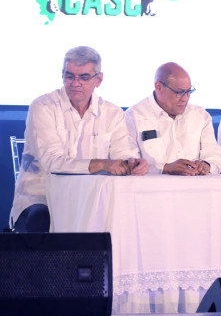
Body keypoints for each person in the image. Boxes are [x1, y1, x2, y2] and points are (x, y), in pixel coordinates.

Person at [10, 46, 148, 232]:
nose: (75, 83)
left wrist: (133, 163)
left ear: (98, 79)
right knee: (41, 220)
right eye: (69, 76)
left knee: (128, 221)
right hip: (42, 199)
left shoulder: (113, 113)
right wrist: (102, 164)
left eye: (83, 77)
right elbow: (52, 162)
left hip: (93, 200)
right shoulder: (43, 106)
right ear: (62, 75)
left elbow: (123, 154)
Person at [125, 62, 221, 175]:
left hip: (196, 190)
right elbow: (128, 164)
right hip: (150, 190)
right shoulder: (133, 117)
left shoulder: (200, 116)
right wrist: (165, 168)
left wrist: (207, 165)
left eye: (188, 92)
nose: (185, 98)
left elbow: (216, 157)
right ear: (159, 87)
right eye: (179, 92)